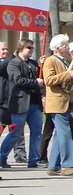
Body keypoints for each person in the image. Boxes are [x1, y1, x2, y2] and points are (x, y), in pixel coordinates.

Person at [43, 34, 73, 176]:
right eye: (65, 45)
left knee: (59, 135)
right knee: (65, 132)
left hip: (67, 100)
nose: (68, 48)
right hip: (56, 101)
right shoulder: (50, 61)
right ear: (57, 47)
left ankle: (53, 166)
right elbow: (48, 80)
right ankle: (67, 165)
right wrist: (67, 75)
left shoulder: (67, 60)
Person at [0, 39, 44, 169]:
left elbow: (40, 77)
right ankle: (2, 156)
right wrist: (35, 82)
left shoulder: (33, 63)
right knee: (16, 132)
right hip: (20, 103)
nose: (31, 50)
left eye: (32, 48)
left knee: (36, 132)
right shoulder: (14, 63)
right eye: (28, 48)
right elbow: (17, 80)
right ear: (21, 49)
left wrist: (41, 66)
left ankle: (34, 160)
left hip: (34, 103)